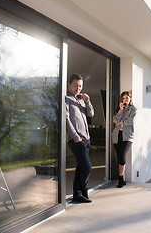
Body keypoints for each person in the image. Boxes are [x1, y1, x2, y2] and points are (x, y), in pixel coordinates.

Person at [66, 73, 94, 203]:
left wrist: (87, 102)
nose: (78, 88)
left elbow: (91, 113)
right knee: (87, 167)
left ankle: (77, 195)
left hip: (86, 138)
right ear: (69, 85)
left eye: (80, 86)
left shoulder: (81, 99)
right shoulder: (66, 99)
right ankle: (84, 191)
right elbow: (66, 119)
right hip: (77, 140)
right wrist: (76, 137)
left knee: (80, 168)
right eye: (75, 85)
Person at [112, 91, 136, 188]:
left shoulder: (133, 109)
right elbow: (114, 120)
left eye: (127, 98)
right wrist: (121, 110)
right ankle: (122, 179)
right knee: (119, 157)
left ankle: (121, 178)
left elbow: (131, 121)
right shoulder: (119, 109)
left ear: (130, 99)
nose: (125, 100)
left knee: (122, 154)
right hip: (117, 135)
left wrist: (120, 122)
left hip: (127, 136)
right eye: (123, 98)